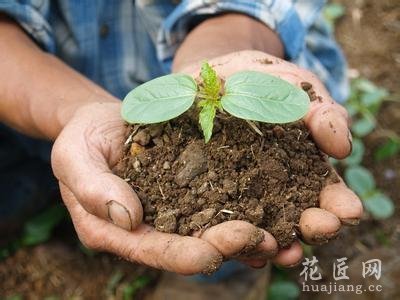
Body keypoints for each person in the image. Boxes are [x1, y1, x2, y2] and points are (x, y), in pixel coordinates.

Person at [0, 1, 363, 297]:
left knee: (229, 243)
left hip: (243, 35)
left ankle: (223, 277)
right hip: (48, 83)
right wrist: (73, 111)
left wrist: (222, 52)